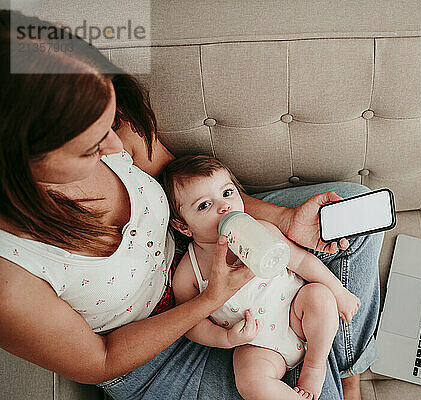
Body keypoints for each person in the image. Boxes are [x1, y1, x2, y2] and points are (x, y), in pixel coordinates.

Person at [0, 9, 383, 400]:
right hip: (149, 351)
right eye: (90, 148)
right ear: (16, 159)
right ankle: (329, 357)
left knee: (349, 209)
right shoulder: (8, 281)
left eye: (110, 122)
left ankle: (338, 361)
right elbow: (101, 360)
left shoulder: (106, 127)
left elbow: (190, 190)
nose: (115, 148)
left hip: (198, 240)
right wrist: (211, 300)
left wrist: (285, 220)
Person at [160, 155, 362, 400]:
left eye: (227, 193)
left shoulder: (264, 230)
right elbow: (191, 324)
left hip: (296, 312)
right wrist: (225, 338)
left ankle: (314, 365)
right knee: (250, 382)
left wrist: (338, 290)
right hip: (257, 344)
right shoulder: (189, 272)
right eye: (204, 205)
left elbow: (300, 261)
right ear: (183, 226)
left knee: (321, 296)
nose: (224, 207)